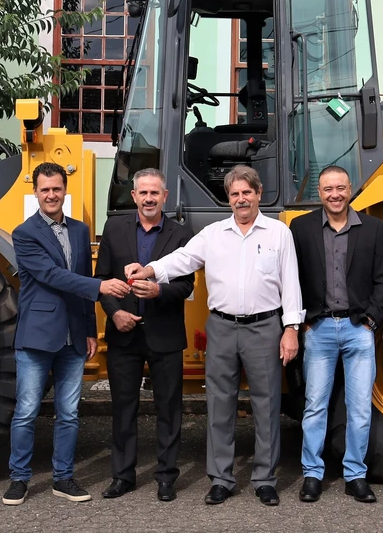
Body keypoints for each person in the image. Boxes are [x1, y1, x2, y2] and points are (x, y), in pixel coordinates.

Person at [126, 165, 303, 507]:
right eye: (235, 194)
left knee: (267, 405)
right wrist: (149, 270)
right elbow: (181, 260)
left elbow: (291, 283)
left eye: (247, 192)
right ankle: (221, 479)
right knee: (219, 405)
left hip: (265, 327)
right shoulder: (213, 234)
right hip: (221, 327)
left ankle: (264, 480)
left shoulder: (279, 233)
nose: (241, 199)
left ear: (259, 194)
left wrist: (291, 329)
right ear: (228, 198)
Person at [2, 162, 130, 506]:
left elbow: (80, 283)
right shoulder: (24, 233)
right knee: (27, 411)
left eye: (56, 188)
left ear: (64, 190)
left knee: (70, 413)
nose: (51, 195)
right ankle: (19, 478)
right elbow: (51, 275)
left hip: (74, 336)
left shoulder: (79, 230)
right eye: (45, 189)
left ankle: (63, 478)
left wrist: (89, 330)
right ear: (35, 192)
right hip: (37, 335)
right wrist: (100, 286)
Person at [290, 166, 383, 504]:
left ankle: (355, 475)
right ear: (319, 193)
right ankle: (312, 474)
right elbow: (290, 277)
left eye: (340, 188)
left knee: (360, 408)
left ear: (350, 190)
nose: (335, 194)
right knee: (314, 406)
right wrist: (303, 320)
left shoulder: (372, 228)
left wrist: (371, 321)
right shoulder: (301, 227)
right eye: (328, 189)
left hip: (357, 329)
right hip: (318, 329)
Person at [93, 168, 195, 502]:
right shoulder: (114, 228)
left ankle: (166, 477)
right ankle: (122, 476)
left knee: (169, 409)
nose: (149, 199)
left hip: (165, 334)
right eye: (143, 193)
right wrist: (115, 313)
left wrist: (159, 291)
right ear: (134, 195)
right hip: (123, 333)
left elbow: (186, 284)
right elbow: (102, 279)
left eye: (155, 193)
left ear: (165, 197)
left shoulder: (182, 234)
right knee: (123, 409)